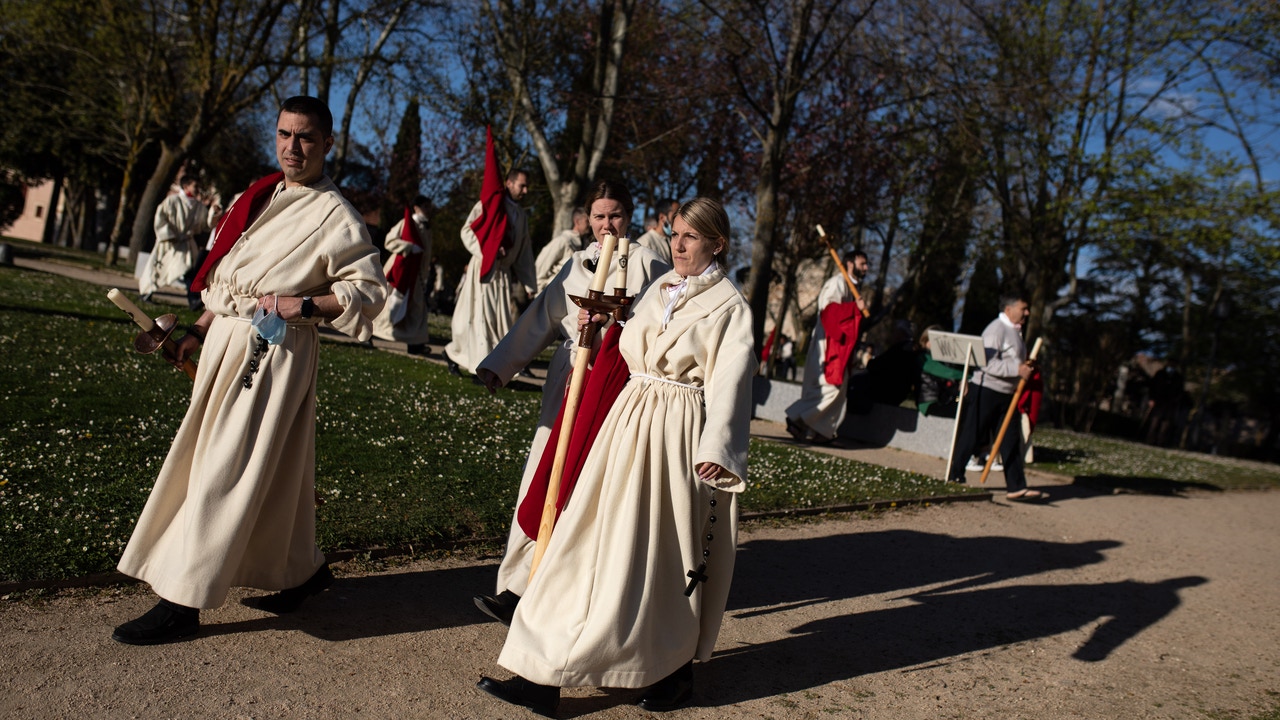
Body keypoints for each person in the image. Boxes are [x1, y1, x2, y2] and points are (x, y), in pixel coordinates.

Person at [111, 96, 388, 645]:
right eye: (285, 134)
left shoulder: (336, 215)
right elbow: (228, 282)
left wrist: (302, 306)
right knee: (273, 470)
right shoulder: (260, 194)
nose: (293, 147)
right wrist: (196, 330)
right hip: (227, 344)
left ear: (328, 144)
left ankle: (182, 599)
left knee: (222, 470)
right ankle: (301, 571)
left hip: (273, 355)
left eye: (306, 137)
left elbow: (369, 291)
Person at [477, 197, 755, 716]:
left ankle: (670, 672)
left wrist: (717, 449)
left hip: (677, 434)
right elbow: (625, 345)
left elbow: (732, 383)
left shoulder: (731, 308)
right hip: (625, 425)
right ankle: (541, 671)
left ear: (717, 244)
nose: (678, 244)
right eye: (674, 234)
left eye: (691, 237)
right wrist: (599, 320)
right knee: (582, 541)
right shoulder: (660, 288)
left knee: (658, 560)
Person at [471, 179, 671, 625]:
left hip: (614, 383)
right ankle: (517, 586)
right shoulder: (577, 263)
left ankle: (570, 592)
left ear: (629, 216)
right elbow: (542, 315)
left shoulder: (647, 264)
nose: (606, 224)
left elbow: (662, 325)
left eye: (614, 215)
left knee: (586, 484)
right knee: (543, 474)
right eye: (598, 216)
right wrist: (500, 364)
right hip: (568, 376)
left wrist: (617, 321)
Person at [946, 294, 1046, 501]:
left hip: (1007, 394)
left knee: (1010, 439)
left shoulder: (1015, 332)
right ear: (1009, 309)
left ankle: (1016, 486)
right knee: (973, 433)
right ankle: (954, 474)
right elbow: (987, 364)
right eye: (1023, 308)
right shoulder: (995, 330)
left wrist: (1025, 368)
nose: (1027, 312)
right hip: (987, 390)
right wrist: (1016, 369)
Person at [444, 165, 537, 376]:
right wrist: (489, 251)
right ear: (509, 183)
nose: (525, 191)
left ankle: (459, 356)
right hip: (484, 270)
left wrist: (529, 283)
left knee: (496, 322)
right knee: (480, 319)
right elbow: (467, 231)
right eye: (522, 186)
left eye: (527, 187)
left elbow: (524, 252)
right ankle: (482, 368)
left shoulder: (521, 215)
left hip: (502, 275)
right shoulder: (489, 205)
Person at [784, 250, 869, 443]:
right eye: (862, 263)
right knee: (829, 387)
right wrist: (855, 308)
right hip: (828, 345)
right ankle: (797, 418)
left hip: (840, 347)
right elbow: (829, 313)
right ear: (849, 263)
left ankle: (815, 430)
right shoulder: (837, 284)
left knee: (838, 389)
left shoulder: (852, 287)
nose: (866, 268)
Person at [372, 195, 433, 354]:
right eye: (426, 206)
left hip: (417, 275)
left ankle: (415, 343)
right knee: (390, 304)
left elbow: (426, 255)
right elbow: (389, 241)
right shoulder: (406, 223)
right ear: (416, 208)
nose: (429, 210)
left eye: (429, 206)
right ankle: (373, 332)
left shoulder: (427, 229)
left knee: (417, 308)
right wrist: (409, 247)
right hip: (400, 271)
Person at [139, 175, 207, 303]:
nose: (198, 189)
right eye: (195, 186)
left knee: (188, 269)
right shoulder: (173, 201)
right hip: (170, 242)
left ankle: (193, 299)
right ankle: (147, 292)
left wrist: (214, 214)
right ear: (186, 186)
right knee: (159, 269)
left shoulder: (198, 206)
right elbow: (161, 218)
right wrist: (168, 235)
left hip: (186, 243)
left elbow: (204, 224)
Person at [532, 206, 589, 294]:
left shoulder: (586, 244)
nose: (590, 225)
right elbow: (541, 264)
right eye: (587, 221)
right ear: (577, 221)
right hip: (555, 293)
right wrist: (539, 291)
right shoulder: (563, 241)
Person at [916, 324, 966, 418]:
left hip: (949, 399)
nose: (938, 344)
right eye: (934, 340)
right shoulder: (924, 358)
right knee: (964, 412)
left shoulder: (942, 359)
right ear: (925, 341)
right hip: (930, 403)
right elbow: (948, 373)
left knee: (964, 403)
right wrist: (972, 377)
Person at [634, 197, 678, 266]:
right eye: (675, 216)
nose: (679, 220)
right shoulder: (645, 243)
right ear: (662, 217)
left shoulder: (673, 241)